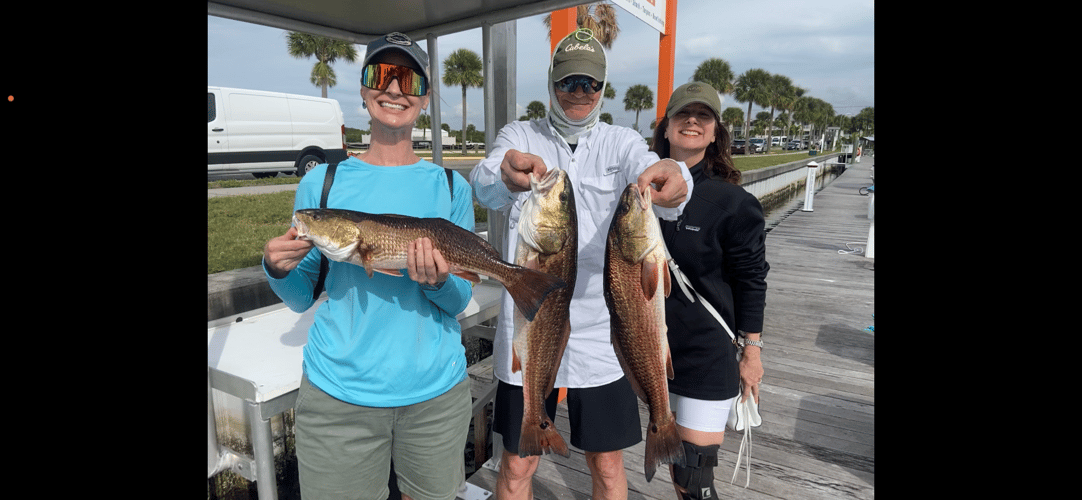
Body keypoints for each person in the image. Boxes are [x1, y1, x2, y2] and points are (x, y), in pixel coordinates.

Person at [470, 28, 694, 500]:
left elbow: (657, 171)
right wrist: (506, 173)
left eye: (590, 83)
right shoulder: (519, 134)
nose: (579, 92)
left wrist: (677, 176)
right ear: (551, 82)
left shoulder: (621, 141)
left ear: (603, 87)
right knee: (515, 468)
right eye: (568, 81)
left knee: (609, 467)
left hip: (605, 328)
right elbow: (485, 181)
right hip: (532, 323)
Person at [262, 32, 474, 500]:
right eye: (381, 75)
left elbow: (459, 300)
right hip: (338, 398)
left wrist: (439, 282)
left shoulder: (451, 187)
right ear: (362, 89)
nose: (393, 88)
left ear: (423, 96)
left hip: (435, 398)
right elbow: (302, 295)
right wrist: (275, 267)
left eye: (407, 78)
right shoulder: (321, 183)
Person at [649, 82, 770, 500]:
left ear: (716, 132)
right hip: (649, 355)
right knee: (668, 466)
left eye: (704, 117)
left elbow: (752, 279)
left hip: (705, 355)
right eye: (683, 115)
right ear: (665, 128)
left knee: (693, 478)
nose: (693, 122)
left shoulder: (734, 202)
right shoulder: (639, 192)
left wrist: (751, 353)